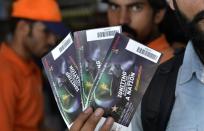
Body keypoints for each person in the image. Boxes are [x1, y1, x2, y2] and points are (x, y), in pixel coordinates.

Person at [0, 0, 68, 130]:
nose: (52, 40)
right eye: (46, 31)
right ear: (23, 27)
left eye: (54, 34)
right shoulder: (4, 73)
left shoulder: (31, 65)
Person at [102, 0, 174, 63]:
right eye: (114, 7)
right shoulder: (100, 57)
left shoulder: (170, 64)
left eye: (136, 8)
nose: (122, 20)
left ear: (158, 14)